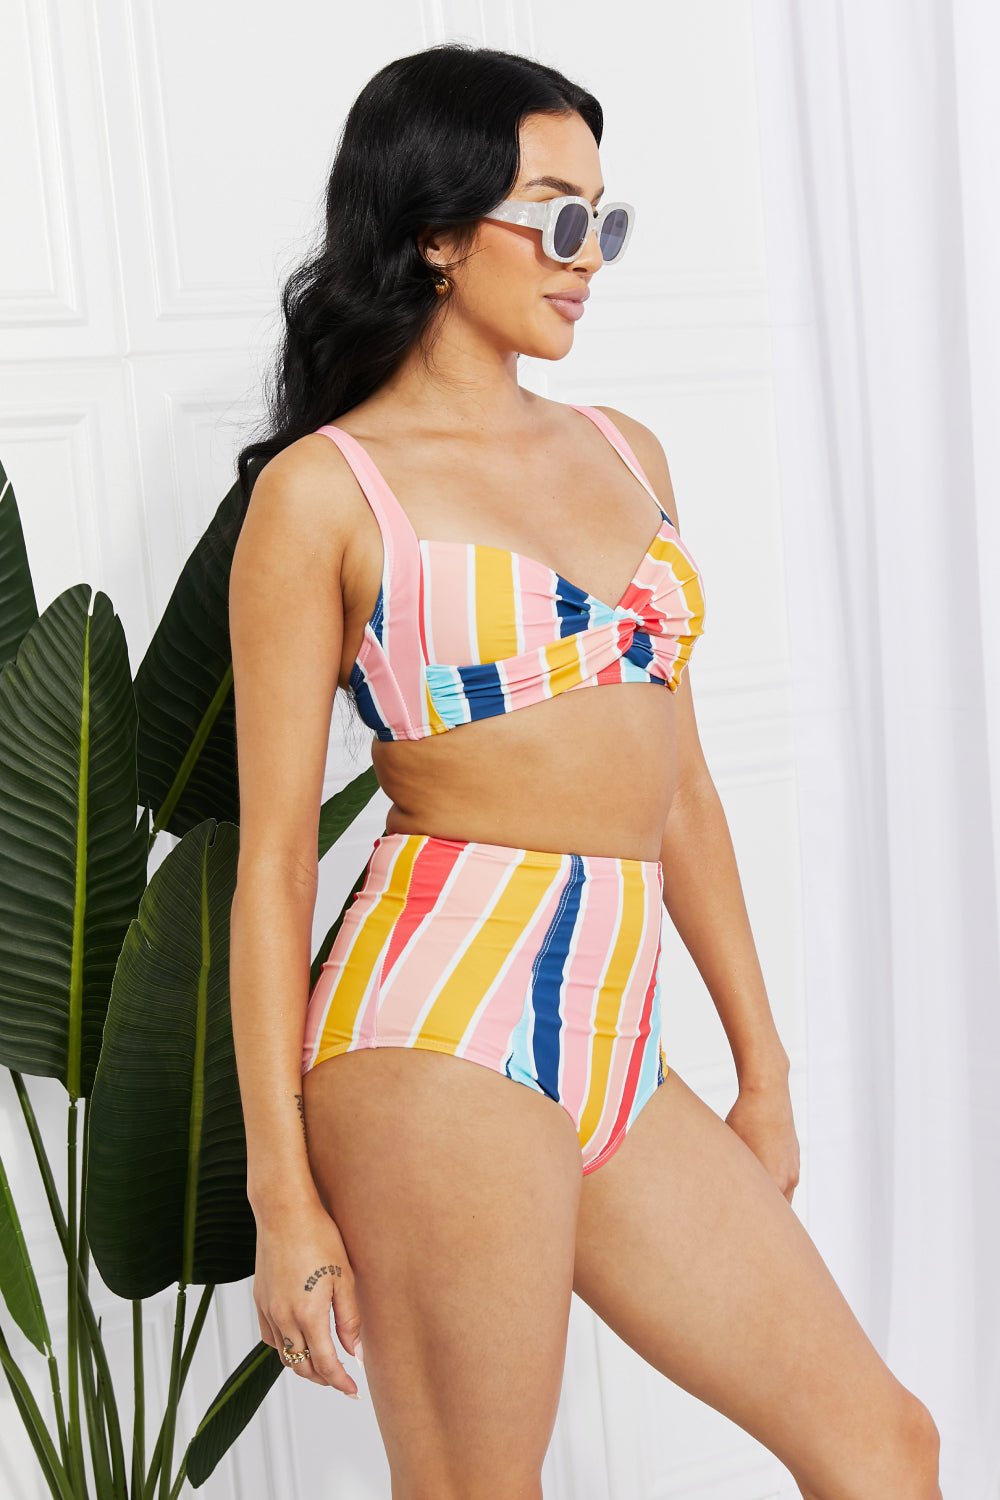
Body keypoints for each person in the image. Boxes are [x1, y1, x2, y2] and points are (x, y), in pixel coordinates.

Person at [227, 41, 941, 1500]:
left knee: (885, 1447)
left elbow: (682, 792)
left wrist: (764, 1068)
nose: (588, 257)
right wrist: (281, 1191)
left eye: (604, 219)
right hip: (438, 1020)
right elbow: (276, 863)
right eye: (558, 217)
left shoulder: (628, 453)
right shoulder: (323, 493)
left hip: (615, 1025)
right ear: (439, 232)